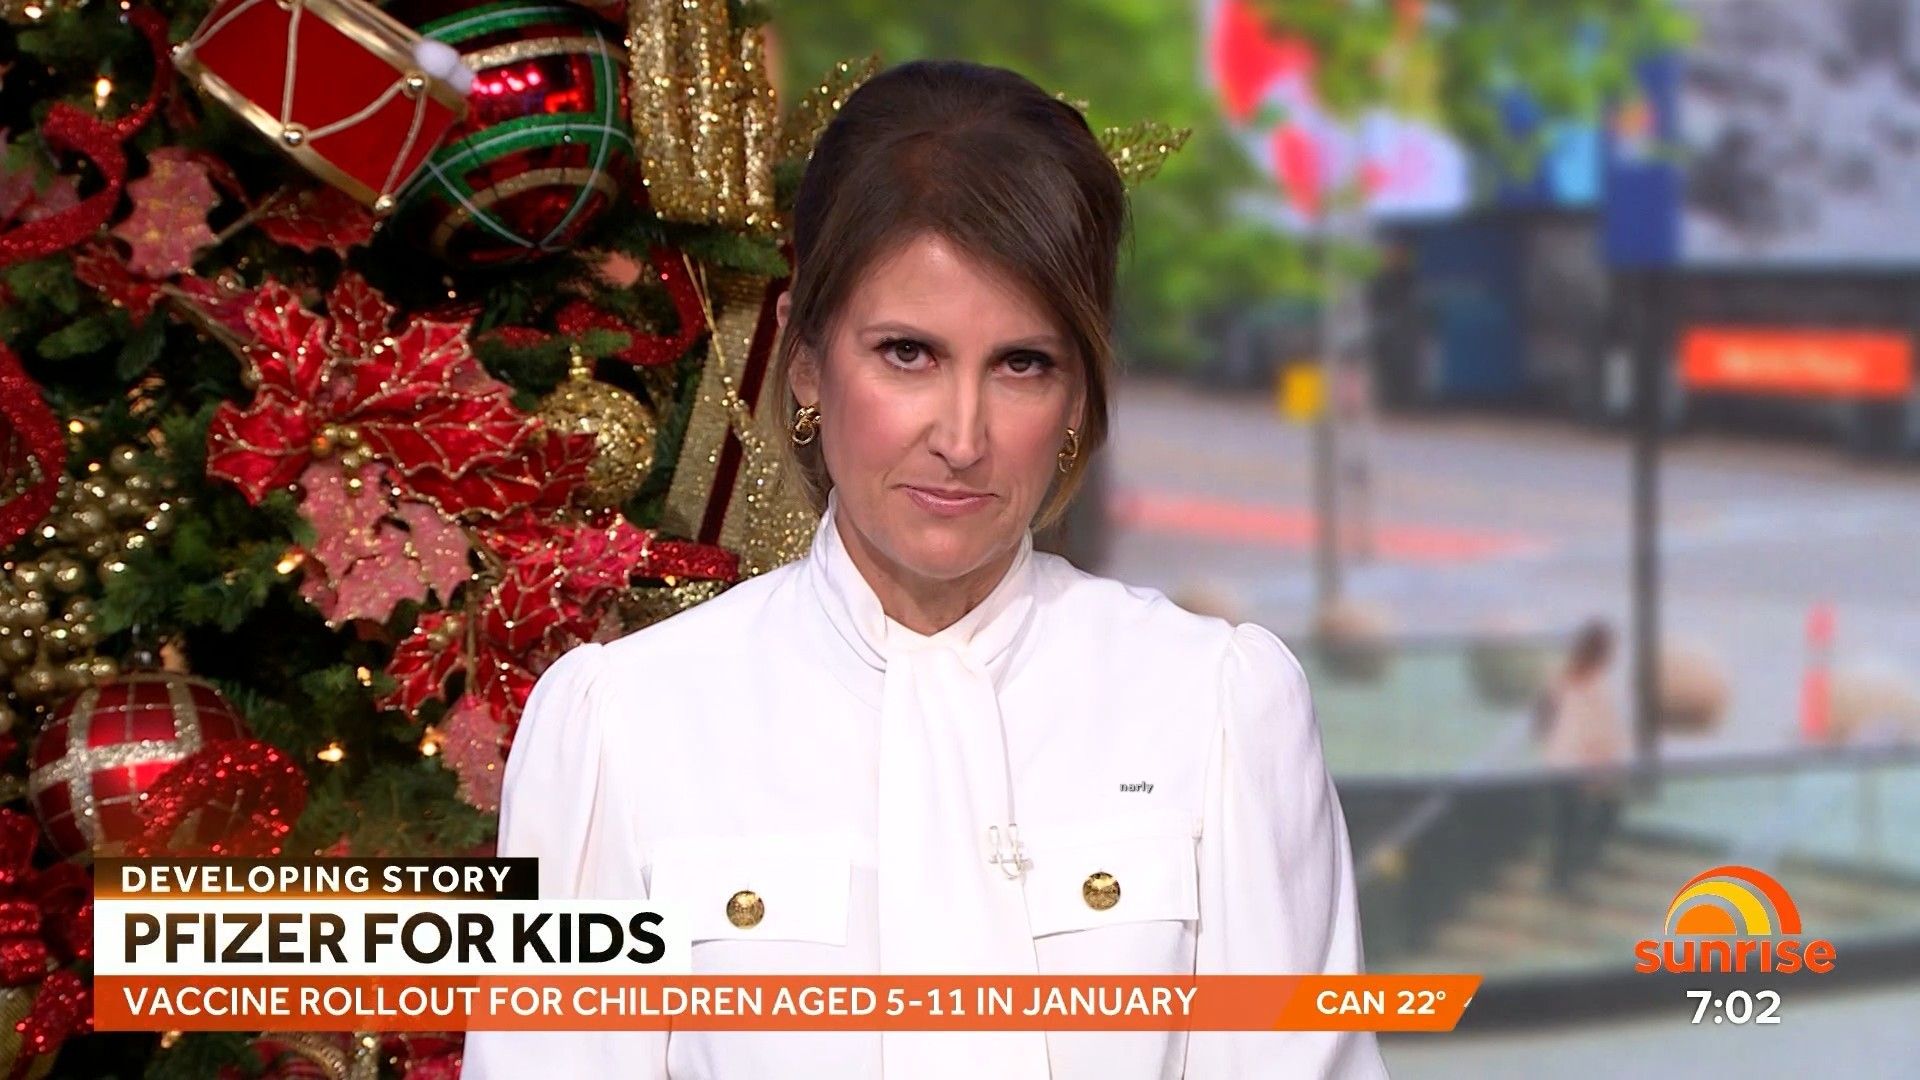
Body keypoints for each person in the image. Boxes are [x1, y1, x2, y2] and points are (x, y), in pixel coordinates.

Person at [463, 59, 1386, 1080]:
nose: (962, 437)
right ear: (806, 361)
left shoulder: (1216, 707)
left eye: (1023, 363)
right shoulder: (621, 727)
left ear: (1080, 394)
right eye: (908, 354)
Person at [1533, 618, 1631, 897]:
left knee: (1565, 823)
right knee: (1590, 816)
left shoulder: (1559, 675)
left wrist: (1548, 741)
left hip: (1558, 760)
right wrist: (1606, 763)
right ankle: (1571, 875)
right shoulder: (1596, 686)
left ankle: (1562, 876)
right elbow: (1601, 730)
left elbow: (1544, 715)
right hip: (1580, 762)